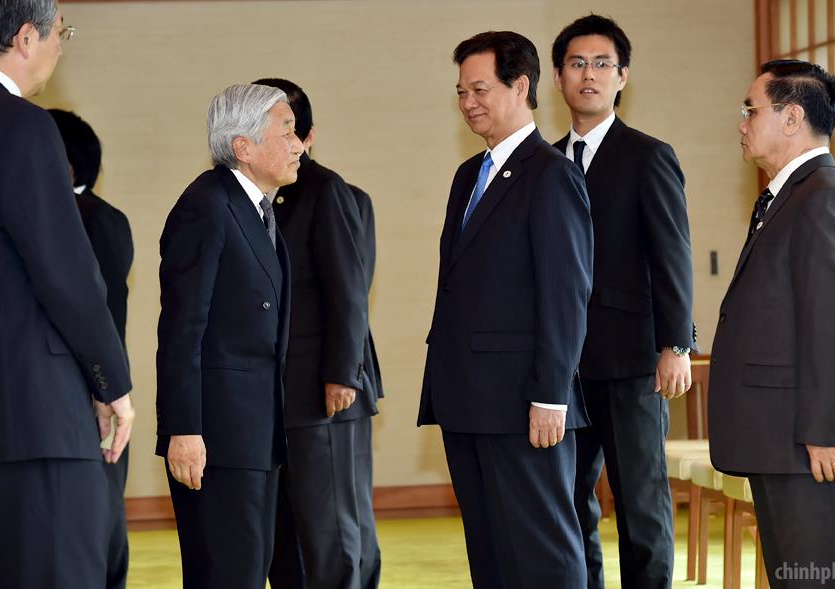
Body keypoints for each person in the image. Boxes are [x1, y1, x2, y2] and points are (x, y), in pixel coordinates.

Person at [417, 30, 594, 588]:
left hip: (523, 402)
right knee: (490, 549)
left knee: (542, 550)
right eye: (461, 92)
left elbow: (566, 295)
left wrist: (551, 395)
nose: (468, 102)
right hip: (467, 397)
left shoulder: (552, 174)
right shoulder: (469, 174)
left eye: (480, 89)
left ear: (520, 87)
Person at [709, 59, 835, 587]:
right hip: (783, 436)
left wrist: (825, 432)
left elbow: (832, 328)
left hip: (809, 443)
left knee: (823, 578)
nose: (741, 123)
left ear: (791, 117)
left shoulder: (822, 198)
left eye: (750, 110)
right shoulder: (792, 195)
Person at [550, 15, 695, 588]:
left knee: (640, 501)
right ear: (558, 77)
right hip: (562, 366)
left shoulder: (648, 156)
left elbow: (672, 255)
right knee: (568, 502)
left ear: (622, 77)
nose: (589, 74)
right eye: (577, 64)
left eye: (602, 64)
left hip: (633, 360)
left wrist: (675, 344)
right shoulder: (544, 162)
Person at [0, 1, 135, 587]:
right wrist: (111, 383)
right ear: (26, 37)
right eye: (61, 32)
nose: (61, 45)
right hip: (35, 413)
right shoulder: (23, 126)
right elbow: (64, 271)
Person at [156, 83, 302, 589]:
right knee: (225, 574)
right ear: (244, 147)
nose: (299, 144)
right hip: (217, 437)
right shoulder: (207, 206)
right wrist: (183, 429)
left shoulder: (255, 208)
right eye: (287, 131)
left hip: (255, 433)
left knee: (247, 571)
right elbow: (182, 327)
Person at [254, 77, 383, 589]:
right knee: (284, 532)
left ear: (302, 135)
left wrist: (341, 374)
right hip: (270, 392)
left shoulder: (324, 189)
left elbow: (348, 290)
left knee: (332, 531)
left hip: (322, 388)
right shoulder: (247, 196)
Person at [50, 108, 135, 589]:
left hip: (86, 392)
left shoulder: (76, 219)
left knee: (92, 519)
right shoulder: (107, 217)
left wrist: (102, 387)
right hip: (103, 382)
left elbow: (96, 309)